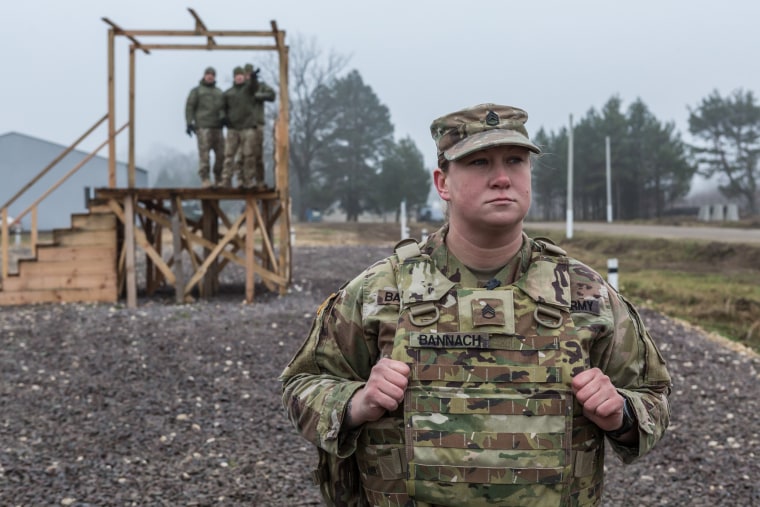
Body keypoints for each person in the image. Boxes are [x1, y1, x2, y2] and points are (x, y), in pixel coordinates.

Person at [280, 103, 672, 507]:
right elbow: (302, 385)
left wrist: (622, 414)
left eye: (516, 161)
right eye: (480, 162)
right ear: (443, 182)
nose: (502, 178)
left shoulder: (585, 294)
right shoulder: (379, 291)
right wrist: (356, 403)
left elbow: (654, 395)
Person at [221, 64, 276, 189]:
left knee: (256, 155)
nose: (245, 77)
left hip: (256, 124)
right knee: (238, 156)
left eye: (248, 74)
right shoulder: (236, 91)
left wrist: (257, 95)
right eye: (244, 74)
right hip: (240, 126)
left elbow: (270, 94)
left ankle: (258, 180)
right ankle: (240, 180)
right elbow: (225, 105)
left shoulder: (256, 86)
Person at [185, 66, 225, 188]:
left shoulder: (219, 92)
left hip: (217, 127)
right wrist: (189, 122)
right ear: (204, 76)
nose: (210, 76)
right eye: (208, 74)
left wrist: (224, 117)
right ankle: (205, 179)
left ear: (214, 77)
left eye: (212, 74)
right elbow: (190, 106)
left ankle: (219, 178)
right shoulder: (197, 91)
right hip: (203, 127)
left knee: (221, 154)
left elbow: (224, 107)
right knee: (204, 155)